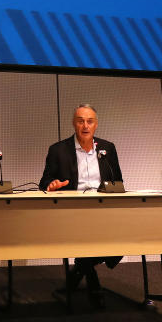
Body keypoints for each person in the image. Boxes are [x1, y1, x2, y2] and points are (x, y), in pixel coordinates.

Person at [38, 103, 123, 307]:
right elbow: (43, 183)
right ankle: (91, 278)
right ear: (74, 124)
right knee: (87, 232)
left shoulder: (107, 148)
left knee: (126, 235)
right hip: (72, 209)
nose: (85, 125)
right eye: (80, 121)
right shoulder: (58, 150)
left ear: (95, 125)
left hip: (103, 207)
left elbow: (118, 181)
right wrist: (52, 185)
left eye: (89, 121)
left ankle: (80, 268)